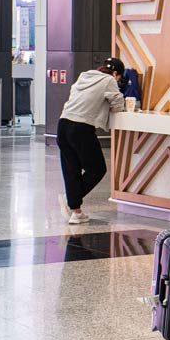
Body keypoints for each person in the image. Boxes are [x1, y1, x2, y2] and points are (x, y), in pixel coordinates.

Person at [57, 56, 125, 226]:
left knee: (71, 169)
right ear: (116, 73)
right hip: (80, 128)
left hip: (63, 124)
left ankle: (76, 212)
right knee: (97, 169)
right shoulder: (109, 80)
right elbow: (118, 102)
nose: (118, 81)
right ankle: (70, 198)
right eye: (119, 78)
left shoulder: (84, 76)